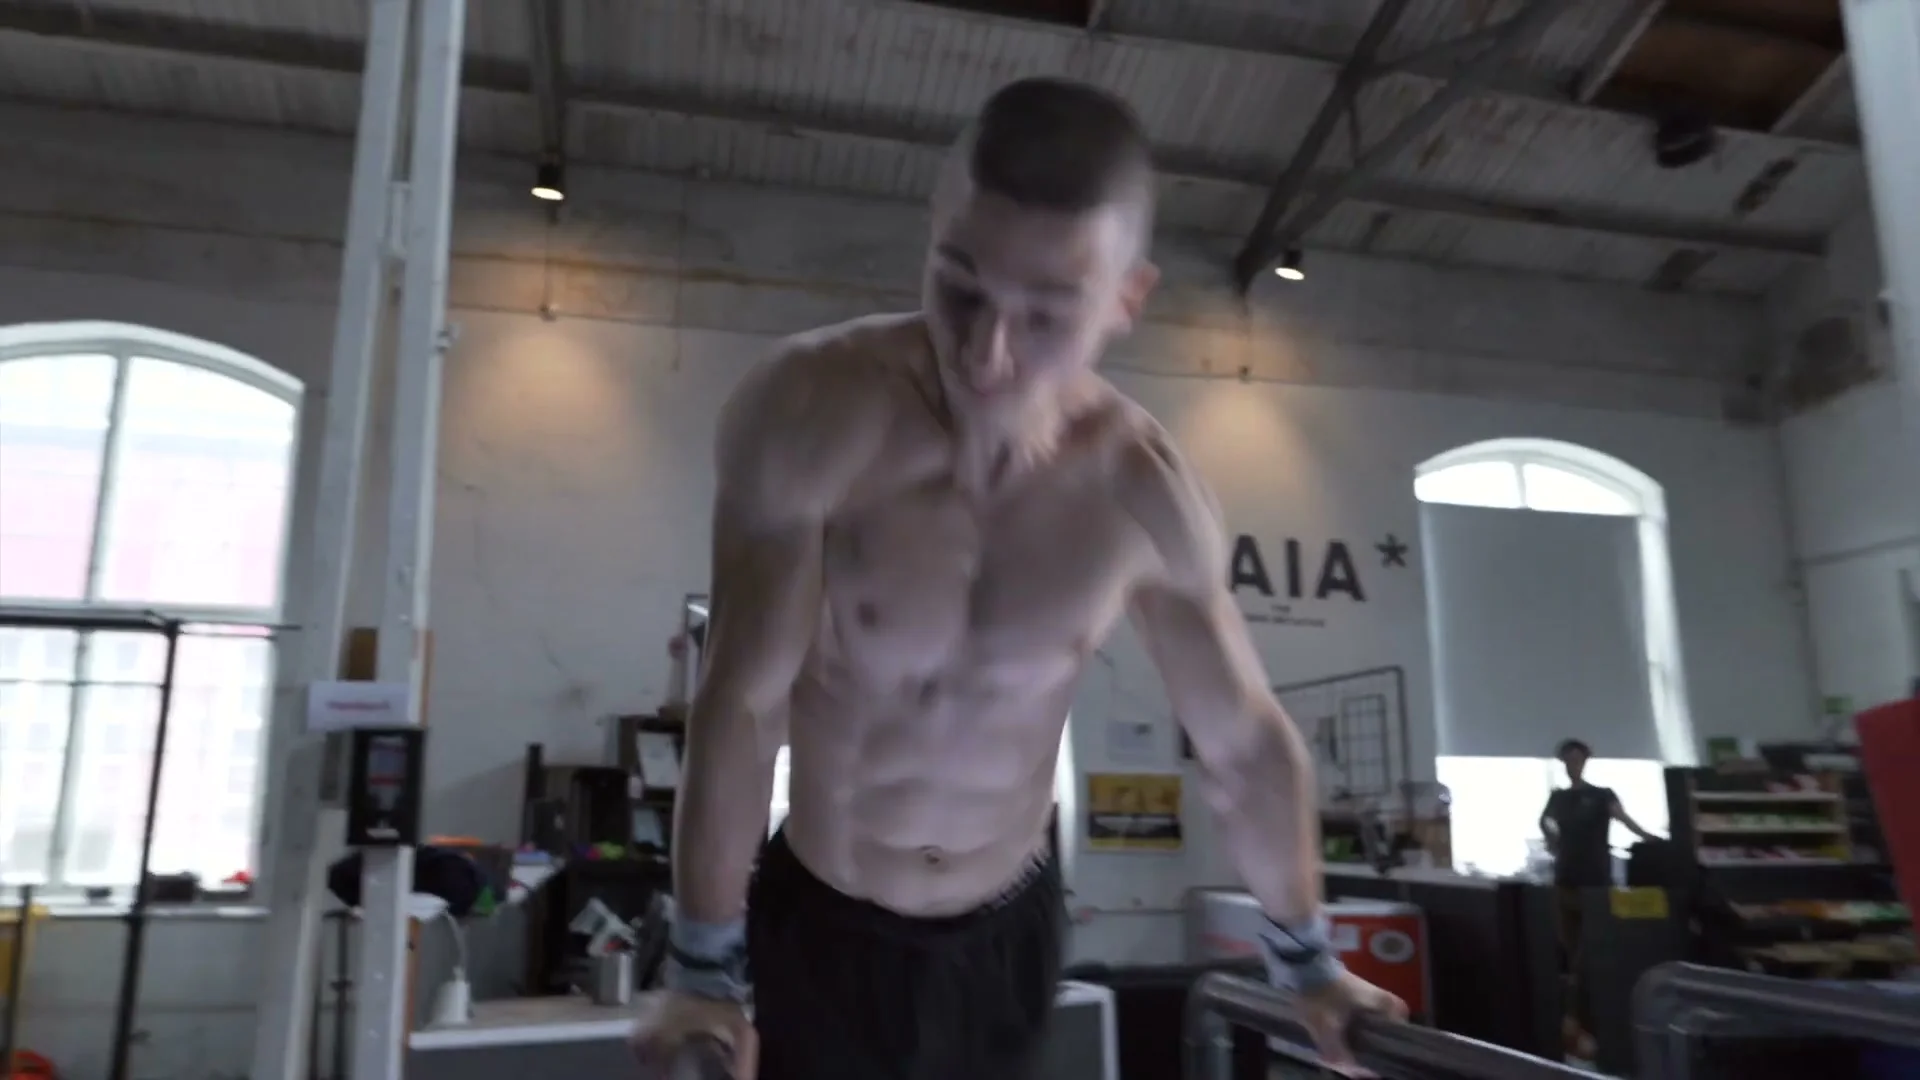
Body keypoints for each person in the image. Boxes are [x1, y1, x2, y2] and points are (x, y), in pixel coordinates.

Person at [629, 76, 1407, 1080]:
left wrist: (1308, 964)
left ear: (1127, 299)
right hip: (818, 919)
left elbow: (1243, 742)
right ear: (934, 229)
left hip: (1007, 938)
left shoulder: (1142, 492)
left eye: (1045, 314)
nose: (986, 352)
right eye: (960, 284)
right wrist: (702, 961)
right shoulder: (811, 418)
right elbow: (741, 701)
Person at [1538, 738, 1657, 1060]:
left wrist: (1651, 839)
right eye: (1566, 759)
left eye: (1576, 758)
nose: (1572, 763)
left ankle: (1584, 1023)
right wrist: (1552, 842)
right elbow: (1544, 821)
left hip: (1596, 883)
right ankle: (1575, 1026)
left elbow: (1623, 818)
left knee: (1587, 956)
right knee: (1571, 952)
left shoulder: (1601, 794)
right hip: (1565, 881)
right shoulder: (1558, 797)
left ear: (1585, 760)